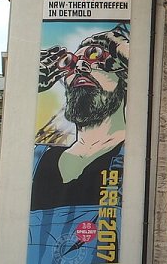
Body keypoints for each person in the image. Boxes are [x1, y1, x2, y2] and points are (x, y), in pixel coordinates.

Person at [28, 23, 130, 264]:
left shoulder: (135, 159)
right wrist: (28, 80)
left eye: (95, 57)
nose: (81, 66)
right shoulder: (36, 158)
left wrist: (122, 48)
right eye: (73, 64)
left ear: (125, 77)